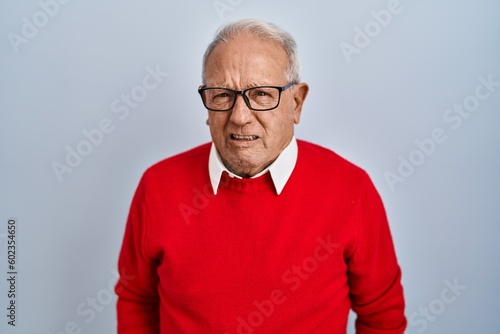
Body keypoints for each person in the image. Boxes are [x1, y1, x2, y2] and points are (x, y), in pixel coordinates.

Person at [115, 19, 407, 334]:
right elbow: (137, 299)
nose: (240, 117)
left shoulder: (351, 189)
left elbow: (382, 316)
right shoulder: (157, 187)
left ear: (296, 103)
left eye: (262, 94)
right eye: (222, 95)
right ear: (207, 103)